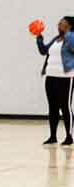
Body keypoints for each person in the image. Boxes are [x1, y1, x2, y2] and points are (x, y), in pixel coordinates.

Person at [36, 16, 74, 145]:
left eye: (62, 23)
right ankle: (53, 136)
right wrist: (39, 37)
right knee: (53, 107)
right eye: (58, 23)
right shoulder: (56, 39)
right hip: (51, 77)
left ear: (69, 26)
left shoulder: (72, 37)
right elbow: (44, 51)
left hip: (66, 77)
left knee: (65, 106)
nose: (59, 25)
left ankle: (69, 136)